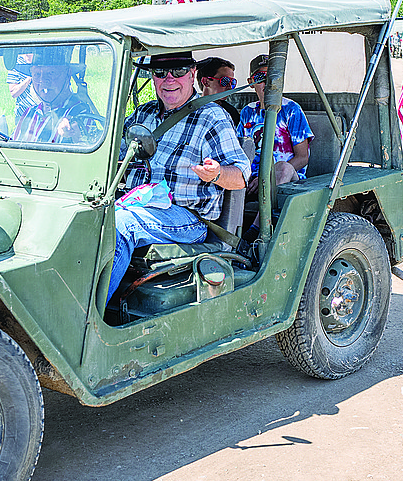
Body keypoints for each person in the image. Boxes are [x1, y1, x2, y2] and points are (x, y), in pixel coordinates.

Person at [112, 52, 250, 299]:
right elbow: (113, 156)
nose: (169, 79)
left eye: (178, 72)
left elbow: (240, 175)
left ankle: (85, 319)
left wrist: (216, 173)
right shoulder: (142, 115)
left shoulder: (211, 117)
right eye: (160, 73)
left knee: (121, 225)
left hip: (186, 216)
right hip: (134, 202)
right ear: (152, 77)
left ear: (193, 74)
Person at [239, 54, 313, 197]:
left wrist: (265, 179)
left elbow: (303, 157)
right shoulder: (247, 112)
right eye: (261, 77)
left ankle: (260, 220)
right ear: (251, 82)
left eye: (272, 77)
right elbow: (240, 151)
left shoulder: (291, 109)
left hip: (287, 180)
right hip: (251, 180)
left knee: (283, 168)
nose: (268, 83)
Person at [12, 46, 102, 144]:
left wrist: (73, 135)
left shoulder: (81, 113)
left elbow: (85, 154)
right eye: (37, 74)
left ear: (68, 73)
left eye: (51, 73)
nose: (43, 81)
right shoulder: (29, 113)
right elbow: (11, 149)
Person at [196, 56, 241, 127]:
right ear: (206, 82)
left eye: (232, 82)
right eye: (225, 81)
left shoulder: (231, 112)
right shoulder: (190, 109)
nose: (230, 87)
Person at [6, 50, 39, 122]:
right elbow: (13, 93)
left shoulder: (42, 62)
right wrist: (29, 79)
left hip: (43, 115)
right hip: (23, 115)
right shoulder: (16, 64)